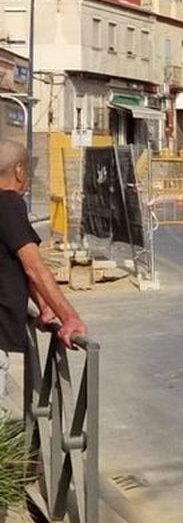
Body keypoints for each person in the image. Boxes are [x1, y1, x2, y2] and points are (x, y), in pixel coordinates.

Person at [0, 139, 86, 400]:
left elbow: (8, 261)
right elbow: (33, 266)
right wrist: (69, 317)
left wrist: (44, 305)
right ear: (18, 171)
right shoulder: (7, 204)